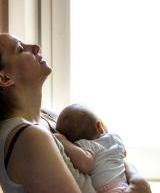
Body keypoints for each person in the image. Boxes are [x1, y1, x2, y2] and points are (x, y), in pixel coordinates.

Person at [0, 33, 152, 193]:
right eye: (20, 49)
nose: (36, 47)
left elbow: (109, 153)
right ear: (4, 78)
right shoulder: (29, 136)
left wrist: (137, 179)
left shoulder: (47, 117)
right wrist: (139, 185)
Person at [55, 103, 128, 193]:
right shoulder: (115, 138)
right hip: (123, 185)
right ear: (99, 126)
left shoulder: (85, 145)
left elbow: (85, 165)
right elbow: (124, 153)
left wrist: (64, 141)